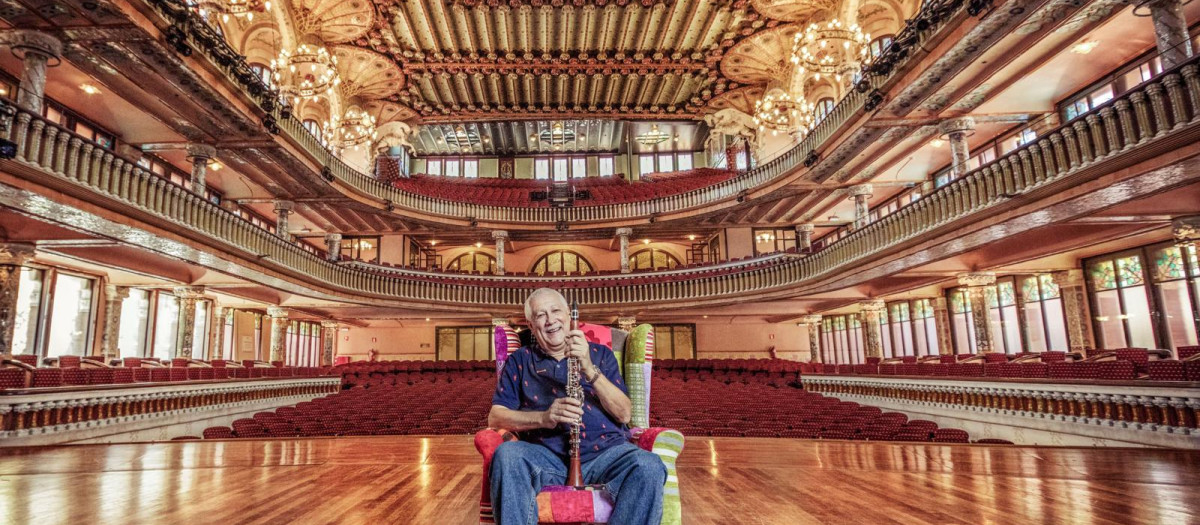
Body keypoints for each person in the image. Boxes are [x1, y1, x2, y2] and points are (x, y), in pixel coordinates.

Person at [489, 288, 666, 525]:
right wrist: (544, 417)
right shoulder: (520, 360)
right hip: (546, 455)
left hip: (606, 452)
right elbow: (496, 418)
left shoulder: (601, 354)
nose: (550, 320)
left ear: (568, 316)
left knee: (649, 465)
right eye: (541, 315)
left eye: (555, 311)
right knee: (507, 455)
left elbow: (625, 413)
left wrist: (589, 368)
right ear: (531, 326)